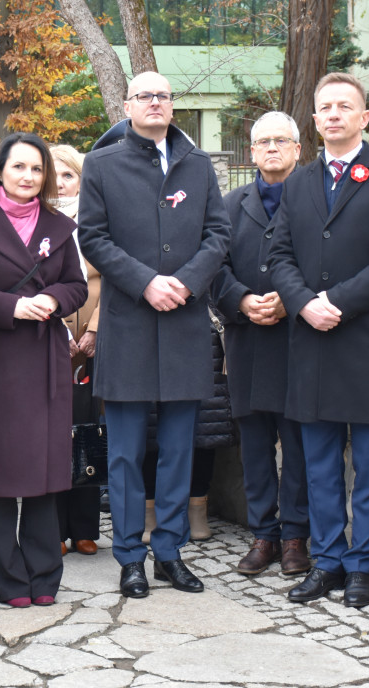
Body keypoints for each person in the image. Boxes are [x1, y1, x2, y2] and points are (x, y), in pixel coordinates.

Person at [268, 73, 369, 608]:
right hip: (311, 342)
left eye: (344, 106)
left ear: (364, 117)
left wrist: (339, 301)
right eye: (324, 106)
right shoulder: (298, 183)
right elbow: (280, 256)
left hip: (367, 346)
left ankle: (361, 568)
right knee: (319, 467)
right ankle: (328, 562)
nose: (333, 114)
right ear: (313, 120)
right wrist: (305, 301)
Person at [78, 71, 230, 599]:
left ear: (172, 105)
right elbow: (92, 237)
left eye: (163, 96)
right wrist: (146, 283)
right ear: (128, 104)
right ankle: (129, 557)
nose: (155, 103)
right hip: (129, 325)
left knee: (178, 450)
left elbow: (218, 234)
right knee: (122, 453)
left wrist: (185, 284)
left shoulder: (199, 164)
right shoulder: (102, 163)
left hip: (185, 323)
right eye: (145, 96)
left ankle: (168, 552)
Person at [0, 133, 87, 607]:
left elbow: (76, 286)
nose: (28, 177)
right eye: (18, 168)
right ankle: (10, 581)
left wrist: (54, 298)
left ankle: (44, 578)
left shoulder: (59, 226)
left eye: (36, 170)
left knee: (44, 475)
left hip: (45, 361)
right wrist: (11, 308)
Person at [211, 111, 311, 577]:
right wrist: (243, 300)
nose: (272, 148)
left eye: (281, 140)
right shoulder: (229, 206)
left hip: (299, 342)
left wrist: (293, 301)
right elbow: (214, 269)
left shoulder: (316, 202)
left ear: (297, 149)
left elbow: (327, 263)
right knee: (254, 447)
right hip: (248, 342)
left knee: (297, 445)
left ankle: (295, 538)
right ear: (251, 153)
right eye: (263, 142)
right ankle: (264, 535)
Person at [49, 144, 103, 558]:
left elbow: (115, 277)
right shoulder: (38, 222)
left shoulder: (100, 219)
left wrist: (96, 330)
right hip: (50, 339)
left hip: (95, 343)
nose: (61, 183)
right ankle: (54, 529)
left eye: (69, 175)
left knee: (87, 434)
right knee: (52, 436)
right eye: (55, 176)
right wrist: (59, 333)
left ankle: (85, 528)